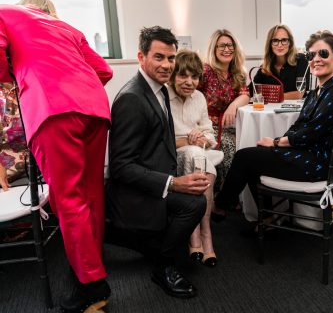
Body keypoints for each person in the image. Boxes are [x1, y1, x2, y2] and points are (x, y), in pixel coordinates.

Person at [0, 0, 113, 311]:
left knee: (68, 200)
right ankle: (90, 266)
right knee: (91, 194)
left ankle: (91, 287)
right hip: (94, 108)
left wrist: (16, 76)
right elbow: (103, 70)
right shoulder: (66, 27)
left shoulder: (4, 12)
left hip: (52, 109)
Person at [105, 26, 209, 299]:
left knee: (196, 198)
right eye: (159, 57)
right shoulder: (131, 98)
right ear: (141, 57)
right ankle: (162, 267)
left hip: (153, 181)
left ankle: (152, 244)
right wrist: (174, 183)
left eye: (171, 58)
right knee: (195, 203)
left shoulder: (159, 88)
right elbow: (120, 167)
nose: (167, 65)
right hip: (134, 194)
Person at [214, 31, 333, 212]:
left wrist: (277, 142)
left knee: (244, 157)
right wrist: (279, 142)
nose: (316, 59)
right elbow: (300, 125)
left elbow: (311, 132)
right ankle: (266, 215)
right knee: (256, 154)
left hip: (322, 164)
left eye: (323, 53)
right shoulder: (319, 90)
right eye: (311, 55)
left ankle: (220, 207)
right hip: (317, 156)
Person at [167, 50, 224, 267]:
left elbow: (210, 136)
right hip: (173, 155)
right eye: (183, 76)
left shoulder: (199, 98)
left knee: (199, 159)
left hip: (197, 153)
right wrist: (188, 142)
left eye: (195, 77)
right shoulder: (163, 98)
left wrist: (200, 137)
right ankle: (198, 234)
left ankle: (202, 232)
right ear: (173, 75)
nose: (190, 82)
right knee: (197, 158)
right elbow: (161, 143)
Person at [197, 29, 249, 220]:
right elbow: (190, 94)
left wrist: (233, 106)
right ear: (214, 48)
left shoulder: (238, 72)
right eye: (222, 45)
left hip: (231, 124)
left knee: (250, 145)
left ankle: (235, 196)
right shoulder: (205, 71)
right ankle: (218, 200)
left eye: (230, 45)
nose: (227, 49)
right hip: (208, 126)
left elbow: (245, 94)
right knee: (231, 148)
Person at [249, 24, 309, 100]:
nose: (280, 45)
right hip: (270, 111)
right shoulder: (265, 67)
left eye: (284, 40)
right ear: (270, 44)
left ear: (290, 42)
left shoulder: (301, 60)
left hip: (296, 111)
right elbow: (250, 91)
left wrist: (269, 96)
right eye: (275, 40)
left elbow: (299, 94)